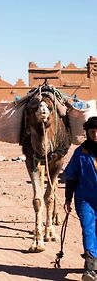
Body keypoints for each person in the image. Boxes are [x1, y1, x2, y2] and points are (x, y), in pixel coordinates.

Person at [64, 116, 97, 281]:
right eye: (92, 132)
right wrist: (68, 199)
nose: (96, 135)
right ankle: (90, 268)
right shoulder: (80, 153)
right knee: (89, 230)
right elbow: (71, 177)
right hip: (86, 200)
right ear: (87, 133)